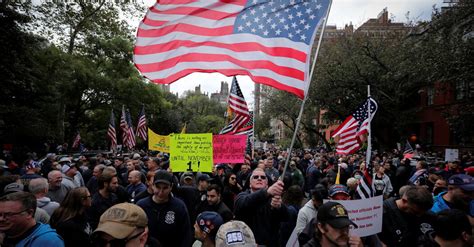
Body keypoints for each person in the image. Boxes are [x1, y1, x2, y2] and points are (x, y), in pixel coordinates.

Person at [234, 168, 288, 246]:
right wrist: (266, 192)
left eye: (263, 177)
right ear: (249, 183)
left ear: (266, 183)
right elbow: (243, 204)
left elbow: (286, 217)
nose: (259, 178)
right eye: (255, 177)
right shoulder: (241, 196)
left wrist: (279, 207)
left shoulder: (273, 199)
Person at [137, 170, 192, 247]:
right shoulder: (142, 205)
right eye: (158, 187)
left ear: (171, 187)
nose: (161, 192)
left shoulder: (179, 206)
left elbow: (186, 235)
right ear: (152, 186)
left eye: (165, 188)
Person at [0, 191, 64, 246]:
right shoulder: (6, 234)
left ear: (29, 213)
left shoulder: (48, 241)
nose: (1, 219)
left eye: (8, 214)